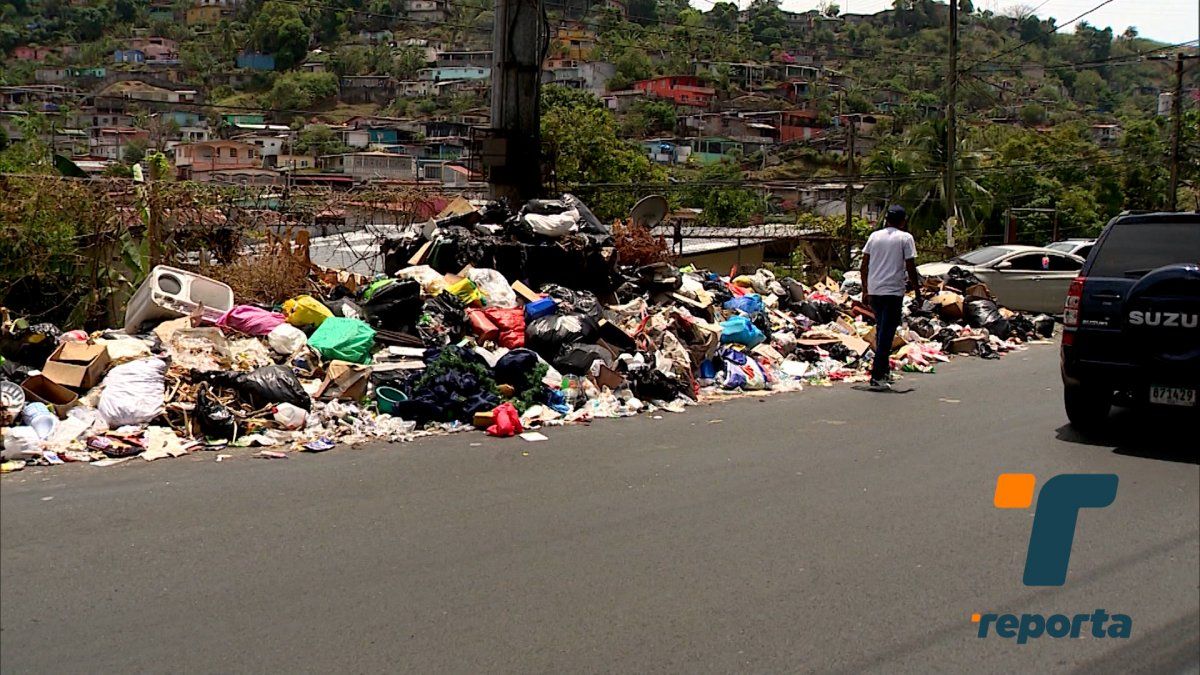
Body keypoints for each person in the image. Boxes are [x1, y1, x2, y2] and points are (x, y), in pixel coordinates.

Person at [859, 205, 922, 391]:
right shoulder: (905, 238)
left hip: (875, 292)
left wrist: (865, 290)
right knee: (886, 335)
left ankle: (884, 370)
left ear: (886, 219)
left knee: (882, 330)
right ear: (903, 221)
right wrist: (918, 293)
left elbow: (864, 266)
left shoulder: (874, 236)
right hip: (893, 292)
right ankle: (877, 376)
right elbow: (910, 267)